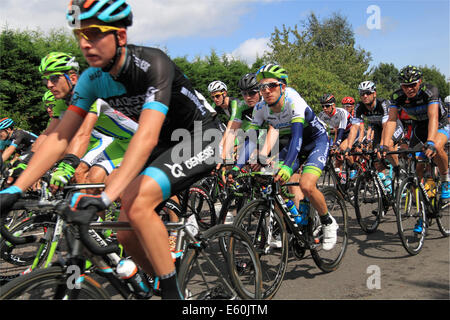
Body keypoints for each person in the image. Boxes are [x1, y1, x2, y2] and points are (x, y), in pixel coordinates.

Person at [0, 0, 219, 300]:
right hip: (167, 143)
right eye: (80, 35)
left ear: (120, 36)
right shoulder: (92, 79)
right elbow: (60, 138)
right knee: (125, 232)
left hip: (201, 135)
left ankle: (173, 296)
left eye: (94, 33)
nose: (85, 43)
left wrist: (105, 197)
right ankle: (159, 282)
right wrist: (13, 190)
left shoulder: (153, 64)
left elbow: (146, 135)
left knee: (137, 202)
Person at [232, 64, 338, 251]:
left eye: (271, 85)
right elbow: (250, 139)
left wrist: (288, 166)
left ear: (282, 86)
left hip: (315, 141)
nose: (266, 91)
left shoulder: (293, 100)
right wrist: (237, 166)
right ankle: (294, 219)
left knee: (306, 184)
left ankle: (328, 221)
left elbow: (297, 135)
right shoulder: (260, 107)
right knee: (273, 178)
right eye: (262, 87)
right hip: (292, 143)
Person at [382, 66, 449, 208]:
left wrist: (430, 141)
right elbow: (392, 120)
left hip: (440, 124)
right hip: (419, 128)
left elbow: (433, 117)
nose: (409, 89)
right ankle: (421, 205)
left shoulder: (430, 91)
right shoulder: (397, 96)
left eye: (413, 85)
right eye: (405, 86)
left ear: (420, 82)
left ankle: (445, 180)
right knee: (416, 165)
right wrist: (385, 145)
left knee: (436, 147)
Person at [345, 80, 404, 193]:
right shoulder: (359, 107)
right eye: (362, 94)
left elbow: (387, 126)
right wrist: (348, 147)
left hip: (393, 126)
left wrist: (383, 145)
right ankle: (385, 183)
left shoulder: (383, 104)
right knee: (375, 156)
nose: (365, 96)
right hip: (378, 128)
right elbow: (354, 128)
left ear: (374, 93)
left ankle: (397, 169)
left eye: (368, 93)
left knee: (388, 146)